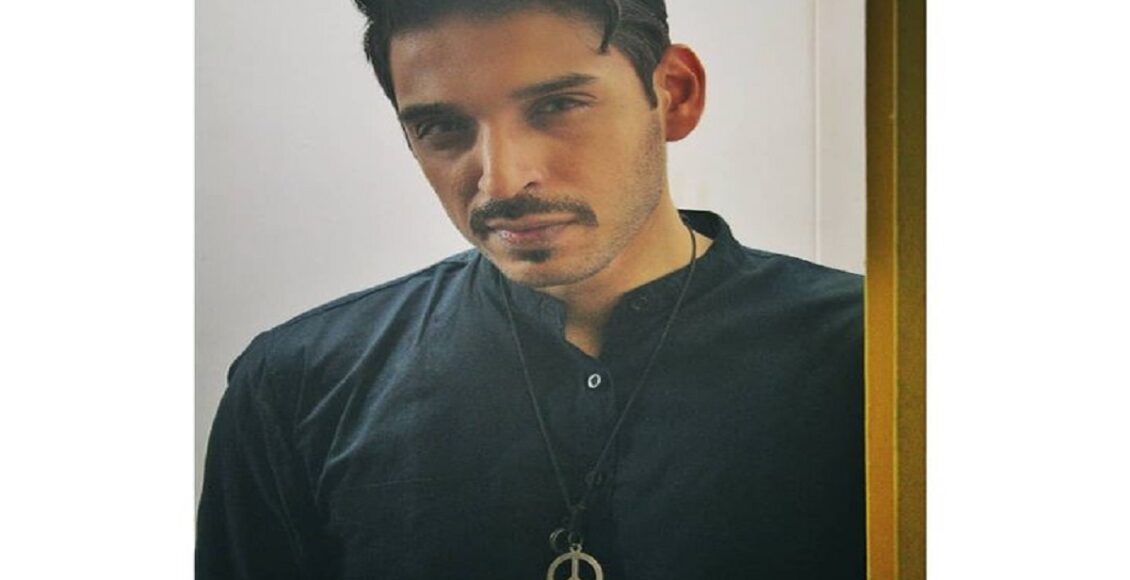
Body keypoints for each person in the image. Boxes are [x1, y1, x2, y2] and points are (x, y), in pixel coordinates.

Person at [196, 1, 865, 578]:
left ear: (674, 94)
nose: (503, 181)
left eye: (556, 106)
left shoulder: (876, 355)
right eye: (443, 128)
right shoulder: (296, 385)